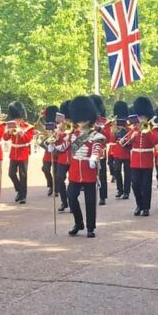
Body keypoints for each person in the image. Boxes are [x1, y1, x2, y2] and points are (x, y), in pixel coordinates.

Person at [63, 95, 106, 238]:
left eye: (84, 119)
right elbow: (64, 146)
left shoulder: (95, 135)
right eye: (79, 119)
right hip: (75, 171)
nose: (81, 122)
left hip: (88, 171)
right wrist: (52, 146)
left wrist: (94, 157)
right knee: (71, 196)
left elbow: (97, 148)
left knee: (90, 201)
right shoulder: (73, 135)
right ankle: (78, 223)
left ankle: (90, 227)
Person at [118, 97, 157, 216]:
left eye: (143, 117)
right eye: (140, 117)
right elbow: (122, 143)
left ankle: (146, 208)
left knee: (146, 185)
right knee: (135, 184)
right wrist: (131, 136)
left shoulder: (152, 128)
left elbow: (155, 141)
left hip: (147, 160)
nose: (141, 119)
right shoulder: (134, 129)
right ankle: (139, 204)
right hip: (135, 161)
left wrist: (147, 131)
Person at [4, 101, 34, 204]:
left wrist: (21, 133)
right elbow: (5, 138)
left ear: (21, 117)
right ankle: (19, 190)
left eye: (17, 118)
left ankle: (23, 196)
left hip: (23, 152)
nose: (15, 120)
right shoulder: (11, 125)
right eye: (14, 118)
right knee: (11, 173)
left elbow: (28, 139)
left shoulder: (28, 127)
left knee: (23, 175)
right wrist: (8, 132)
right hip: (14, 153)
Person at [90, 94, 110, 206]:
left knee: (102, 174)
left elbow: (109, 136)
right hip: (88, 150)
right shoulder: (87, 120)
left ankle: (102, 196)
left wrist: (99, 129)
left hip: (100, 151)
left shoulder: (104, 121)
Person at [109, 101, 131, 200]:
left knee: (127, 172)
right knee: (117, 170)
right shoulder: (115, 123)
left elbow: (132, 134)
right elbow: (112, 139)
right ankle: (120, 189)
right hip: (118, 150)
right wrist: (114, 132)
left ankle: (126, 191)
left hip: (127, 151)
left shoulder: (129, 123)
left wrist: (125, 130)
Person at [54, 100, 72, 212]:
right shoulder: (60, 127)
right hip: (61, 158)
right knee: (59, 179)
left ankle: (71, 202)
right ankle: (64, 202)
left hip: (72, 157)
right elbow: (56, 142)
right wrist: (57, 134)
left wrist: (68, 135)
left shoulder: (74, 127)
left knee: (72, 182)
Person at [38, 106, 59, 197]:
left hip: (56, 151)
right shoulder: (46, 125)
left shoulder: (59, 126)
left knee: (56, 171)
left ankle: (56, 189)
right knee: (45, 169)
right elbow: (42, 137)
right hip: (47, 151)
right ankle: (50, 185)